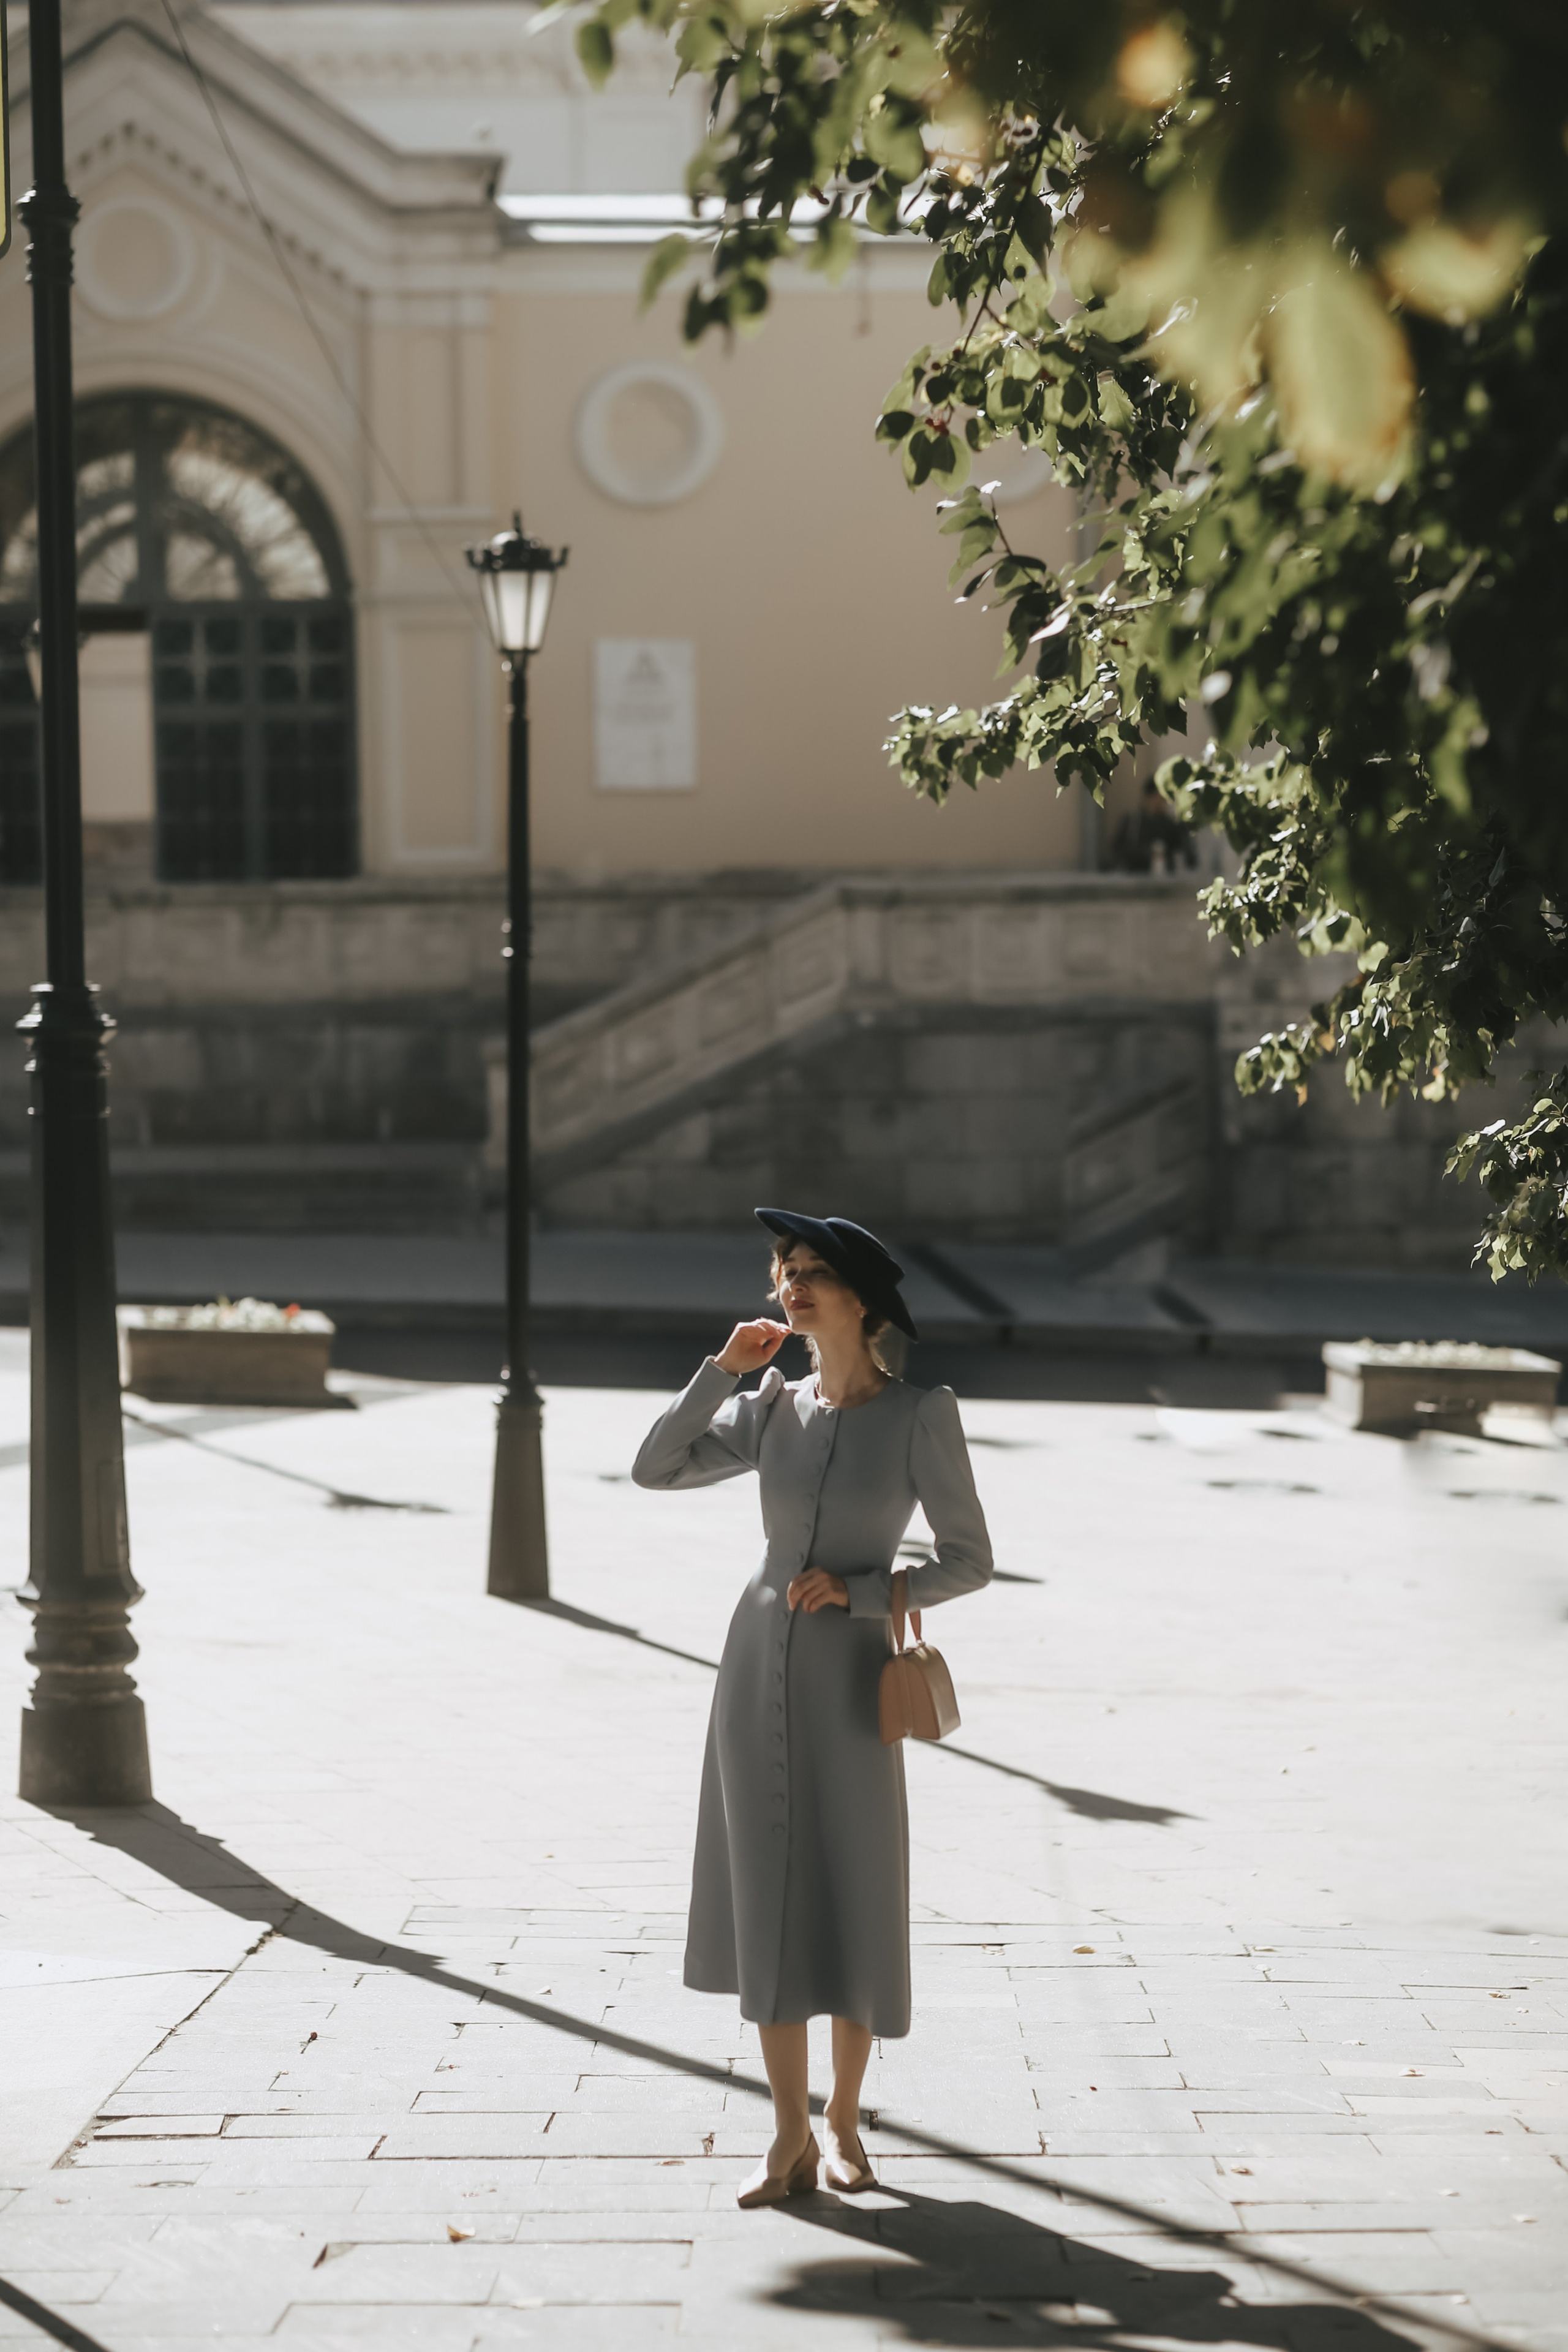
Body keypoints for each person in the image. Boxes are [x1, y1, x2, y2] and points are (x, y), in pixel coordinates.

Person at [631, 1207, 994, 2208]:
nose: (792, 1285)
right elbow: (654, 1466)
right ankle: (789, 2132)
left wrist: (871, 1593)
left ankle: (844, 2118)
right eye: (784, 1270)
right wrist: (721, 1371)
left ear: (862, 1297)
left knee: (852, 1887)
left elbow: (970, 1559)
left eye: (814, 1272)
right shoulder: (773, 1406)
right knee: (768, 1893)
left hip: (847, 1680)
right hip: (754, 1668)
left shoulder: (921, 1413)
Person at [1109, 775, 1197, 874]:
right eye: (1159, 798)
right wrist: (1147, 852)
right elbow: (1118, 851)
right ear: (1148, 797)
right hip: (1135, 879)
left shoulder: (1171, 825)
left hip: (1165, 881)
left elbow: (1188, 856)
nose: (1162, 802)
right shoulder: (1132, 823)